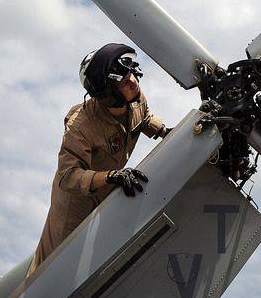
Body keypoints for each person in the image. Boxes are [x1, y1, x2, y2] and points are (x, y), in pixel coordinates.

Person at [27, 43, 170, 275]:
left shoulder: (133, 97)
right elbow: (67, 177)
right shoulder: (80, 125)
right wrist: (112, 176)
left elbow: (144, 115)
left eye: (132, 74)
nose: (133, 82)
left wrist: (165, 131)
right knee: (52, 271)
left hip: (110, 187)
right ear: (108, 92)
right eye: (124, 81)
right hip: (74, 203)